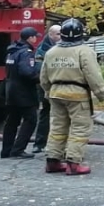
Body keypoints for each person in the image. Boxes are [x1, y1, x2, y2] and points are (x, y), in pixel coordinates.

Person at [39, 19, 104, 175]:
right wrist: (101, 94)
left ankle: (52, 161)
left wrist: (48, 92)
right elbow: (92, 74)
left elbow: (43, 77)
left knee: (57, 128)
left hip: (56, 94)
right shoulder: (84, 51)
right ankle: (74, 164)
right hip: (78, 96)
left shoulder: (51, 52)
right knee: (80, 129)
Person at [0, 27, 41, 158]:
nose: (36, 38)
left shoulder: (12, 51)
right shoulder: (26, 52)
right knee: (31, 120)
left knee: (12, 121)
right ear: (30, 38)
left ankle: (6, 150)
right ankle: (18, 150)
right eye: (35, 36)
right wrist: (40, 77)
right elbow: (27, 72)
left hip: (10, 91)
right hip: (24, 93)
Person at [29, 24, 62, 153]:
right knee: (45, 114)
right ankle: (39, 143)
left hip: (62, 86)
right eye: (58, 34)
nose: (60, 37)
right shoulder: (43, 49)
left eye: (61, 34)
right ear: (51, 34)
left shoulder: (65, 46)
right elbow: (39, 69)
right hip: (47, 87)